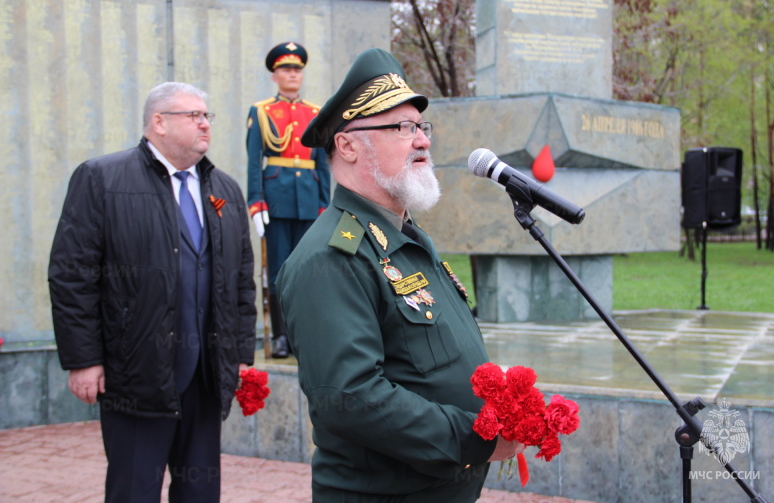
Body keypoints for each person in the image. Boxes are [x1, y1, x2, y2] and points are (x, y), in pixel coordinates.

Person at [275, 48, 524, 502]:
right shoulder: (332, 257)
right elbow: (350, 397)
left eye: (421, 127)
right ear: (348, 146)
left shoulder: (402, 237)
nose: (422, 140)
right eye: (401, 128)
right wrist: (476, 437)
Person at [48, 82, 257, 503]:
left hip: (204, 376)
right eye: (193, 115)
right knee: (134, 490)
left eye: (207, 116)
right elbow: (72, 275)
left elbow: (241, 281)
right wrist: (84, 360)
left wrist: (237, 356)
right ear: (158, 123)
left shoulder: (225, 190)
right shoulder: (102, 178)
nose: (204, 124)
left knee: (200, 491)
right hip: (136, 376)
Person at [246, 41, 331, 358]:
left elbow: (322, 163)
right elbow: (254, 161)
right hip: (276, 201)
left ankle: (303, 334)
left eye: (297, 69)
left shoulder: (316, 113)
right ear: (275, 76)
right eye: (286, 69)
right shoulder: (262, 111)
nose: (292, 74)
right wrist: (255, 202)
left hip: (310, 201)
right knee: (280, 271)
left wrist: (326, 204)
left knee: (308, 270)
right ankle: (282, 336)